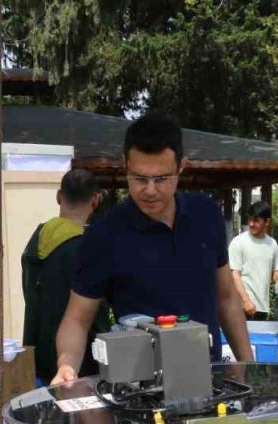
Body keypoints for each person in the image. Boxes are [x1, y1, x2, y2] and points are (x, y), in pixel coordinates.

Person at [53, 113, 253, 383]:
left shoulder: (206, 216)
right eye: (139, 178)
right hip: (140, 391)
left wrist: (248, 367)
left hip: (209, 383)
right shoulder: (103, 236)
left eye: (161, 179)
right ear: (126, 165)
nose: (149, 190)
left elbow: (226, 299)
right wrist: (66, 365)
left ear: (181, 167)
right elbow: (77, 320)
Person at [21, 169, 111, 384]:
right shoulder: (86, 250)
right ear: (96, 200)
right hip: (78, 366)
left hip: (37, 355)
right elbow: (96, 316)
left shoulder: (35, 243)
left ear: (59, 196)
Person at [229, 200, 278, 321]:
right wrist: (246, 300)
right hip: (241, 306)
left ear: (267, 222)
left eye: (256, 220)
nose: (251, 224)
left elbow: (274, 276)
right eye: (250, 219)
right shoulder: (238, 242)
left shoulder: (272, 244)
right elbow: (235, 275)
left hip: (262, 307)